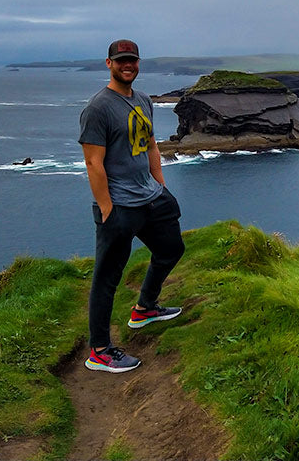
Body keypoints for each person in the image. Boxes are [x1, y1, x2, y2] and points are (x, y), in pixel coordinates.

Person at [78, 39, 185, 373]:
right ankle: (99, 350)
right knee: (107, 278)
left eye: (133, 60)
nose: (128, 65)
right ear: (109, 64)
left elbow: (151, 145)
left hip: (150, 196)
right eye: (121, 60)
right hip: (120, 205)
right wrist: (107, 209)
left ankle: (145, 307)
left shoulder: (141, 99)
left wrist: (161, 186)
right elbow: (94, 164)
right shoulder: (98, 107)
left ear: (138, 63)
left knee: (171, 249)